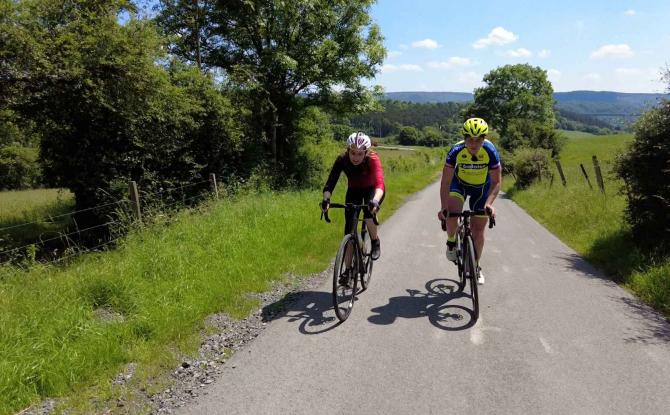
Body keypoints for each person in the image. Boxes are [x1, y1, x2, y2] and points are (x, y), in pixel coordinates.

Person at [437, 118, 501, 284]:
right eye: (470, 139)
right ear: (464, 138)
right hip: (460, 185)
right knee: (452, 212)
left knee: (478, 229)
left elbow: (496, 182)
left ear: (484, 138)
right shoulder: (456, 151)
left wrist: (489, 204)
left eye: (478, 140)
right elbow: (445, 182)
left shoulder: (490, 151)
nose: (473, 144)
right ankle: (451, 242)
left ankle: (476, 266)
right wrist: (444, 207)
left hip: (482, 188)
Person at [321, 131, 385, 260]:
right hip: (354, 190)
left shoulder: (372, 159)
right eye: (353, 153)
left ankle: (375, 241)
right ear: (348, 150)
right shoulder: (342, 160)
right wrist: (326, 199)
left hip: (372, 190)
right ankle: (347, 272)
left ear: (366, 152)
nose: (356, 157)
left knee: (368, 214)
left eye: (360, 154)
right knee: (349, 229)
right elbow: (330, 182)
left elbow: (380, 184)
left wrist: (375, 201)